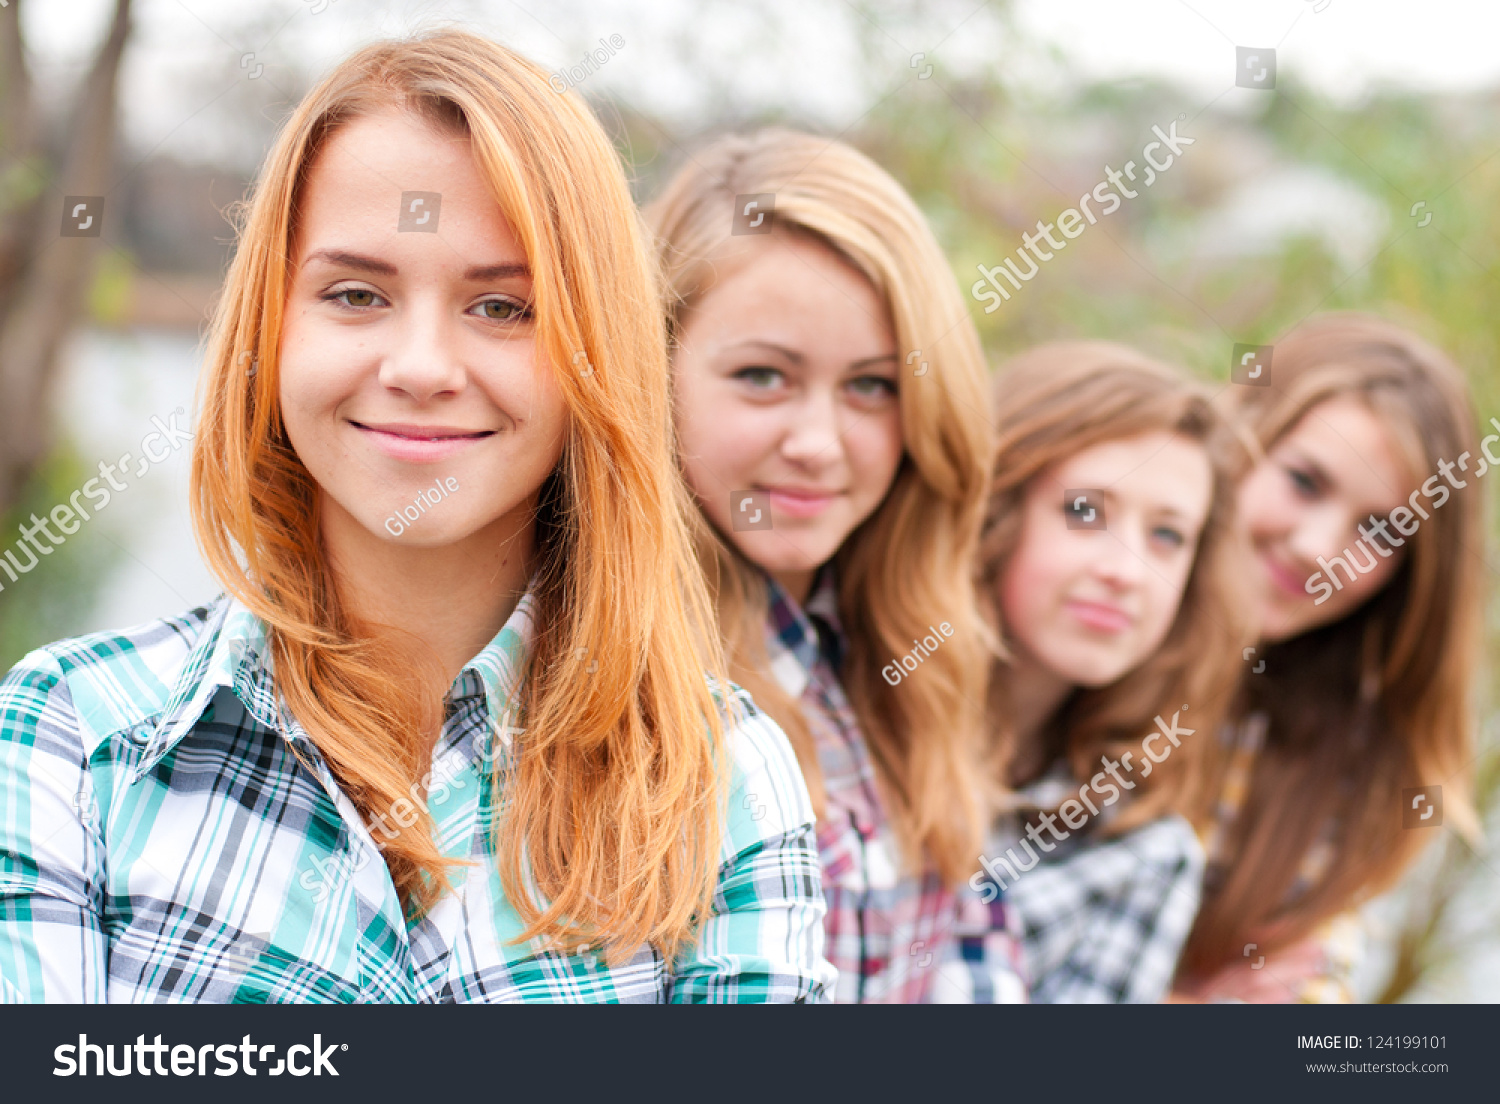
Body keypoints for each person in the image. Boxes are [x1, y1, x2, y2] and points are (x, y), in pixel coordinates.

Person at [0, 30, 833, 1004]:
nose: (423, 367)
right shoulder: (71, 736)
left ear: (597, 356)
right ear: (270, 328)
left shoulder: (723, 782)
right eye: (355, 294)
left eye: (503, 308)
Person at [646, 128, 1025, 1003]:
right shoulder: (597, 675)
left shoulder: (910, 661)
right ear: (652, 370)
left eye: (871, 386)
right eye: (763, 377)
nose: (817, 445)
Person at [1174, 313, 1485, 1003]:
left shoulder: (1341, 770)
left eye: (1377, 530)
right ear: (1239, 438)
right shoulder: (1072, 636)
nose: (1318, 548)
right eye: (1305, 482)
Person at [968, 341, 1250, 1002]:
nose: (1126, 571)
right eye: (1085, 512)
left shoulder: (1142, 853)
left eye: (1167, 536)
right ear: (995, 508)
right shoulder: (844, 714)